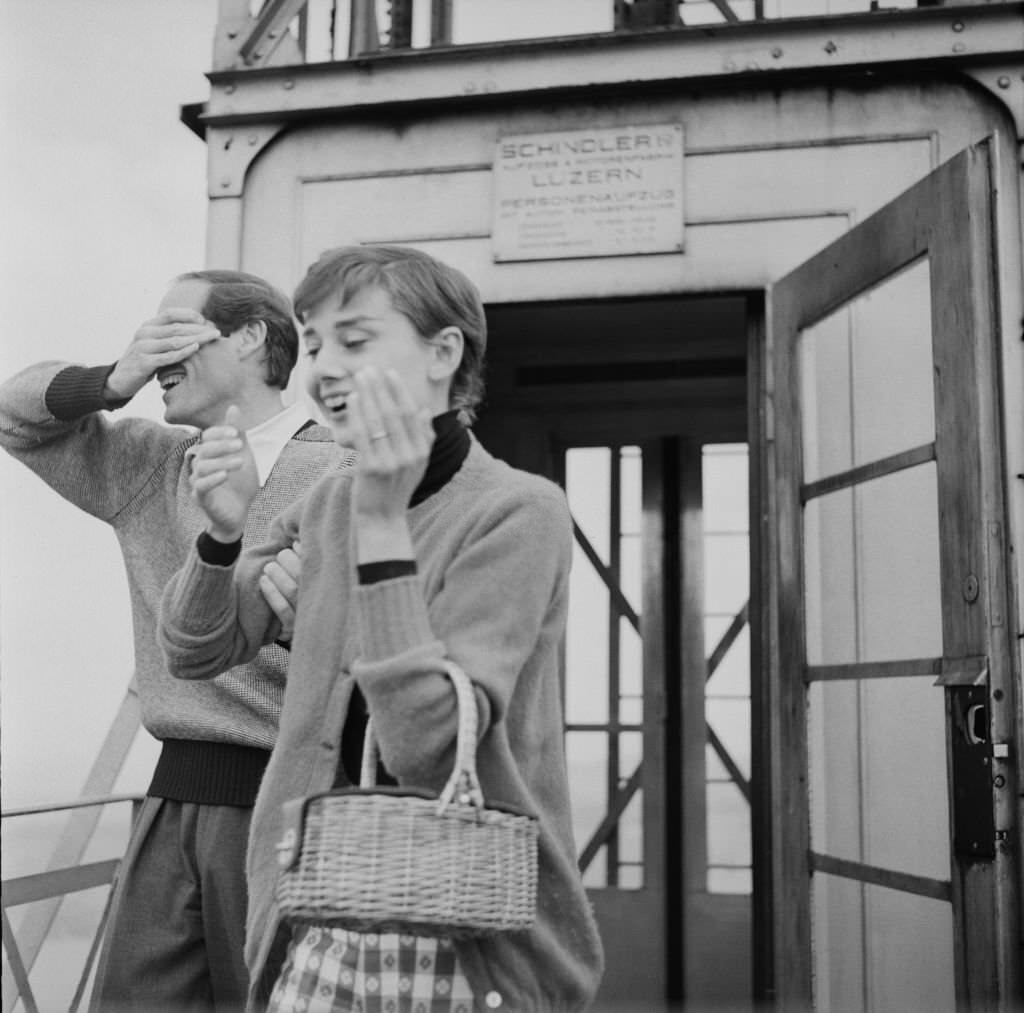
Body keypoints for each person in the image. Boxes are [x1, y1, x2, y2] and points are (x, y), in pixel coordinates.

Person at [158, 245, 605, 1011]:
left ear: (443, 352)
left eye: (355, 339)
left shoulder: (517, 511)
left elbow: (428, 748)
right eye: (316, 341)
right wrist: (222, 533)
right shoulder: (332, 500)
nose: (324, 366)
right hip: (312, 915)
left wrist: (383, 529)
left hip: (475, 941)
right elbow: (196, 652)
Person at [0, 269, 352, 1011]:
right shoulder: (153, 462)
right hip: (172, 801)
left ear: (252, 336)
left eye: (173, 328)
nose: (152, 345)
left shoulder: (344, 475)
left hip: (296, 805)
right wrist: (112, 378)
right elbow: (13, 413)